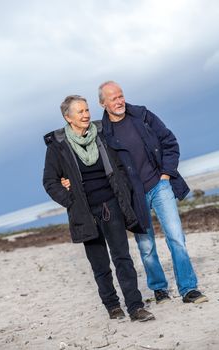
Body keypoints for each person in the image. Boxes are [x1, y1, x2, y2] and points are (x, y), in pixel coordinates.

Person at [43, 94, 155, 322]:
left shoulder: (101, 135)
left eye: (87, 110)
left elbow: (119, 167)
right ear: (68, 117)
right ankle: (113, 306)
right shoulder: (58, 146)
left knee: (122, 258)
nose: (86, 115)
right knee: (100, 263)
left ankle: (135, 307)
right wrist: (70, 199)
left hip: (111, 204)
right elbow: (50, 182)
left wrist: (123, 189)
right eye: (80, 112)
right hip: (84, 211)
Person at [97, 81, 208, 305]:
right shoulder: (102, 133)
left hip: (160, 185)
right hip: (133, 195)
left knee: (176, 237)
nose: (119, 101)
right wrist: (66, 178)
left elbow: (169, 141)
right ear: (103, 103)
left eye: (121, 96)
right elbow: (94, 165)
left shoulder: (143, 115)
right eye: (113, 98)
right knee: (146, 246)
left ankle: (188, 289)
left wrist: (166, 173)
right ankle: (159, 289)